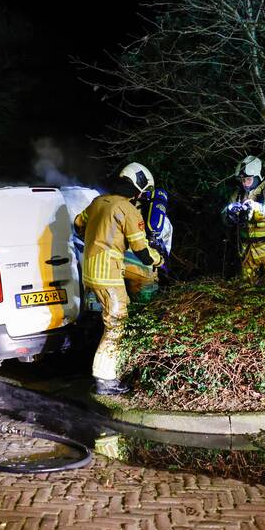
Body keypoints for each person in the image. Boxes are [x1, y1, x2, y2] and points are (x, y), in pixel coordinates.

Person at [74, 162, 163, 395]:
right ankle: (105, 380)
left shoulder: (98, 202)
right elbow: (142, 252)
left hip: (90, 271)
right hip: (108, 274)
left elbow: (77, 225)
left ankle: (109, 370)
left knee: (110, 320)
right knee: (117, 324)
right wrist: (158, 260)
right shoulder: (128, 210)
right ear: (139, 188)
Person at [221, 155, 265, 284]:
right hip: (246, 250)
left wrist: (259, 209)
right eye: (242, 180)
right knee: (247, 288)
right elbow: (224, 216)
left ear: (258, 176)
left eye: (248, 179)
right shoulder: (238, 194)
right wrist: (229, 213)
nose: (244, 183)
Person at [123, 184, 173, 301]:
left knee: (111, 302)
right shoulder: (163, 221)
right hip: (145, 266)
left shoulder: (120, 209)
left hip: (115, 262)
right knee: (143, 306)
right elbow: (165, 250)